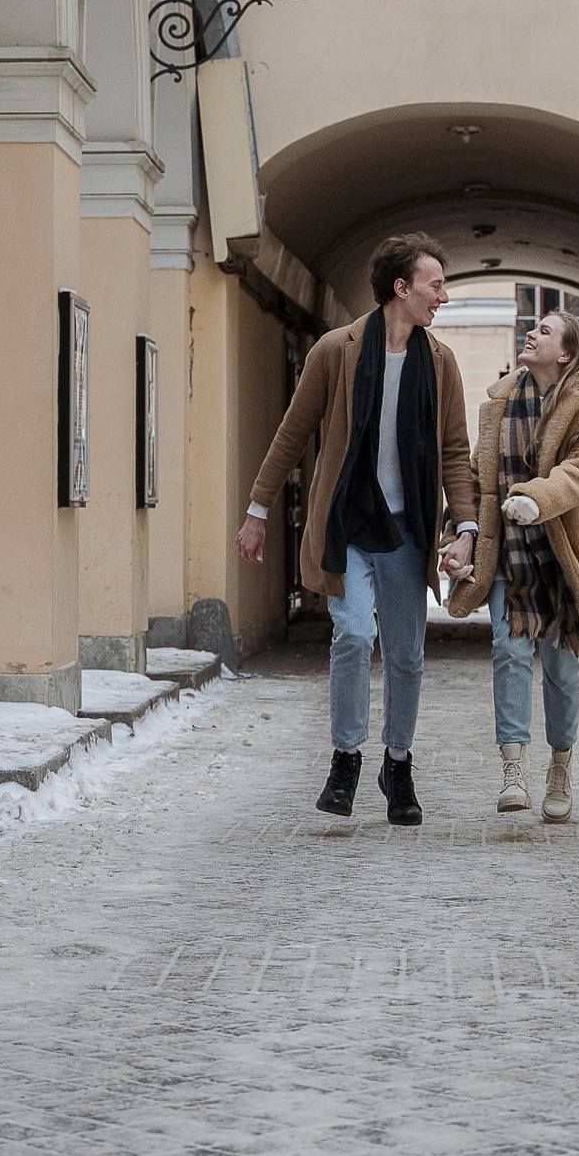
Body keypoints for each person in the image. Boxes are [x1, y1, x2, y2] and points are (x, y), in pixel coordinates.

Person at [237, 234, 479, 826]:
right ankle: (345, 758)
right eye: (436, 284)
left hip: (408, 530)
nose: (442, 296)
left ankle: (397, 763)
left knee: (407, 655)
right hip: (347, 523)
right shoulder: (335, 350)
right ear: (402, 288)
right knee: (349, 636)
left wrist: (466, 525)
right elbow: (293, 433)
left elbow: (454, 451)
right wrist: (258, 508)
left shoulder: (441, 363)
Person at [446, 309, 579, 822]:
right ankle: (513, 768)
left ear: (567, 354)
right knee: (508, 651)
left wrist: (536, 497)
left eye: (545, 331)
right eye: (533, 328)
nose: (530, 333)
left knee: (560, 666)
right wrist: (460, 536)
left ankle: (560, 764)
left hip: (561, 554)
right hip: (506, 549)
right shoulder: (499, 403)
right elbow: (473, 477)